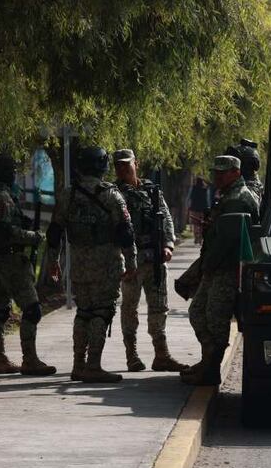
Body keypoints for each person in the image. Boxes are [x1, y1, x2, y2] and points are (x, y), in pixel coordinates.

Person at [47, 146, 137, 383]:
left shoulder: (69, 194)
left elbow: (54, 231)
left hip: (77, 263)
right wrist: (132, 263)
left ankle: (78, 364)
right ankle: (93, 365)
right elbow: (126, 233)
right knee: (102, 311)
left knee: (83, 311)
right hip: (106, 264)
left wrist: (52, 261)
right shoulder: (112, 195)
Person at [182, 155, 259, 386]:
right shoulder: (229, 196)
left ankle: (211, 368)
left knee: (215, 319)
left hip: (226, 269)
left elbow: (228, 241)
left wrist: (205, 267)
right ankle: (208, 361)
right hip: (217, 266)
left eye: (222, 172)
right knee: (199, 312)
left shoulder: (238, 199)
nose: (217, 176)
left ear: (236, 173)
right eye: (216, 172)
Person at [0, 153, 56, 376]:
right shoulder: (1, 196)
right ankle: (29, 359)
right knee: (32, 309)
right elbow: (4, 231)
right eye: (12, 171)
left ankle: (0, 359)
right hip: (11, 260)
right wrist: (33, 236)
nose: (15, 175)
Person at [113, 149, 188, 373]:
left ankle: (161, 355)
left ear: (136, 163)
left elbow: (165, 218)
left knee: (159, 307)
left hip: (154, 259)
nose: (122, 169)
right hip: (131, 261)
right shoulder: (114, 193)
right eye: (118, 166)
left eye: (126, 164)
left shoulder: (151, 190)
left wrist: (168, 245)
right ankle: (131, 355)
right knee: (129, 308)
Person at [188, 177, 210, 245]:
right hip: (203, 209)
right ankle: (200, 238)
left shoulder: (193, 188)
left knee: (195, 224)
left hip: (194, 208)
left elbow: (189, 197)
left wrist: (189, 205)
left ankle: (196, 238)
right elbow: (207, 198)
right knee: (201, 224)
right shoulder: (205, 189)